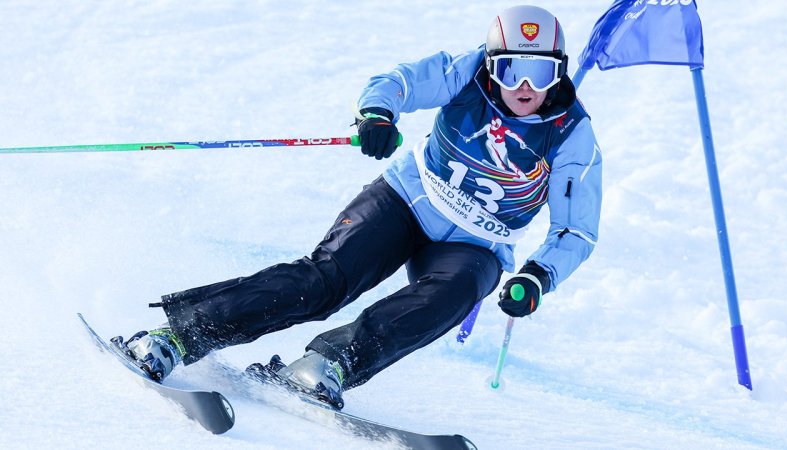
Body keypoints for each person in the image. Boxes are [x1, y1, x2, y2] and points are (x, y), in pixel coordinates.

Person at [120, 5, 601, 409]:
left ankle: (328, 364)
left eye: (541, 73)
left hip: (477, 241)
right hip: (408, 199)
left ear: (557, 71)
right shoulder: (466, 71)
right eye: (511, 70)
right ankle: (176, 337)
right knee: (325, 282)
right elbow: (400, 82)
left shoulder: (572, 134)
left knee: (455, 293)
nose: (525, 88)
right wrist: (377, 113)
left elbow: (575, 230)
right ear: (492, 64)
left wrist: (539, 276)